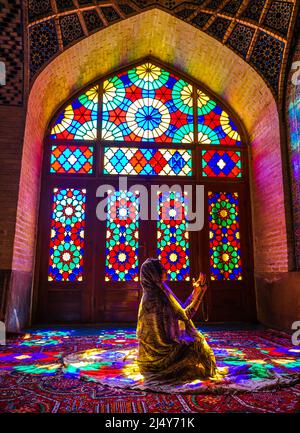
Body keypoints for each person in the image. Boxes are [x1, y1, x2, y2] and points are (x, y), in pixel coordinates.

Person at [136, 258, 224, 384]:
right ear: (154, 274)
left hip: (147, 361)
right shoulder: (160, 296)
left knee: (192, 344)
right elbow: (186, 315)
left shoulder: (151, 294)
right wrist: (201, 292)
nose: (165, 270)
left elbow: (179, 311)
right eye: (161, 269)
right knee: (197, 346)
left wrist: (195, 292)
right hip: (163, 358)